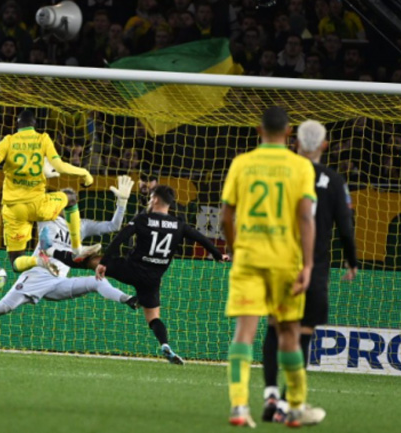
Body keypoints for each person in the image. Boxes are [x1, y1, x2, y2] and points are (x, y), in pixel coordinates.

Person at [220, 106, 324, 427]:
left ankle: (239, 407)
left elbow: (225, 217)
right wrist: (308, 265)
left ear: (257, 129)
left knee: (244, 334)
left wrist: (237, 250)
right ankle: (295, 407)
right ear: (290, 133)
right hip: (285, 262)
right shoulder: (301, 167)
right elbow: (306, 218)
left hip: (249, 258)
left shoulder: (242, 163)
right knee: (289, 334)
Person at [0, 183, 137, 349]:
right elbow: (44, 242)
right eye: (62, 201)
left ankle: (127, 299)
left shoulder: (81, 225)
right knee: (4, 307)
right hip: (37, 275)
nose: (64, 204)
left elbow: (113, 226)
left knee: (96, 281)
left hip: (58, 281)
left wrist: (122, 203)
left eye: (68, 202)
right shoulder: (46, 217)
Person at [261, 120, 358, 423]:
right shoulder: (335, 180)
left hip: (279, 260)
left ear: (295, 143)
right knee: (303, 333)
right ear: (325, 146)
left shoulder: (279, 174)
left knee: (276, 326)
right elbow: (345, 226)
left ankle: (271, 394)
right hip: (314, 266)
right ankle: (290, 403)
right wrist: (351, 260)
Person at [94, 185, 229, 364]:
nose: (149, 201)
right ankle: (164, 344)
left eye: (150, 198)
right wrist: (219, 254)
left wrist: (103, 262)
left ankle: (61, 256)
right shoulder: (178, 224)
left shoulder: (143, 219)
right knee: (153, 318)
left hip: (131, 269)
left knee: (91, 260)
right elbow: (201, 238)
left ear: (156, 199)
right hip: (152, 279)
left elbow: (120, 238)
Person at [0, 109, 98, 275]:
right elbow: (60, 166)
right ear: (35, 125)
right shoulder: (43, 139)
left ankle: (37, 260)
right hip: (39, 205)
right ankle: (76, 248)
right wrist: (84, 173)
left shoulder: (8, 141)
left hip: (14, 210)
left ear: (17, 125)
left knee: (16, 262)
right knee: (71, 198)